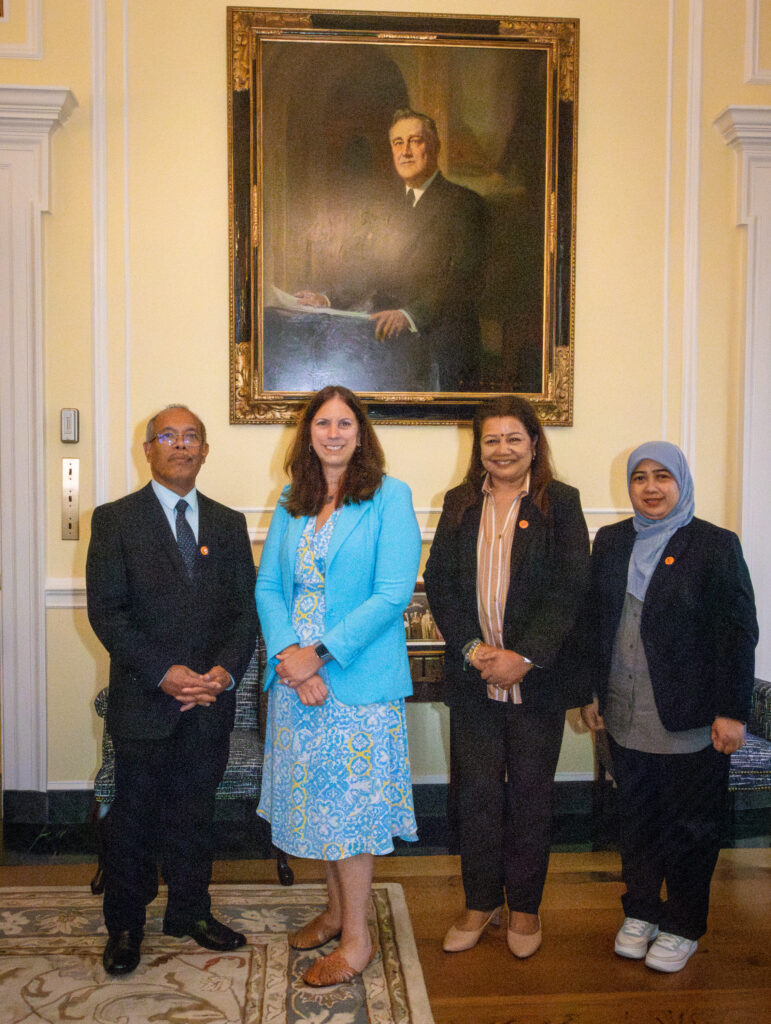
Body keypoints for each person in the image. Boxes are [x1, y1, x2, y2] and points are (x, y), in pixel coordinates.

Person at [256, 384, 421, 986]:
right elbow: (270, 590)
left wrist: (318, 657)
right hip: (295, 683)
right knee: (320, 810)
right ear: (308, 434)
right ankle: (333, 912)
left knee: (351, 816)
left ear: (361, 432)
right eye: (322, 423)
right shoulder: (290, 500)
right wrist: (288, 660)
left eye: (344, 423)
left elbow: (392, 593)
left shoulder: (388, 497)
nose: (332, 433)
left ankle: (358, 939)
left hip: (357, 683)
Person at [86, 404, 258, 976]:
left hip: (209, 702)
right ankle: (127, 926)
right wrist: (165, 673)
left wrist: (222, 675)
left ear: (205, 451)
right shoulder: (114, 520)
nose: (180, 446)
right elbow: (108, 615)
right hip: (145, 701)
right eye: (168, 436)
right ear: (149, 449)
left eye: (191, 438)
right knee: (134, 818)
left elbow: (244, 616)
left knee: (193, 814)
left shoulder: (230, 524)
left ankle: (190, 911)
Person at [581, 442, 758, 973]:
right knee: (635, 819)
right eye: (640, 478)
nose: (651, 488)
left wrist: (733, 711)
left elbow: (738, 634)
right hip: (624, 709)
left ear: (681, 482)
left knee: (691, 826)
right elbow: (596, 621)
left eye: (663, 477)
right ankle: (640, 911)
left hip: (692, 716)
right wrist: (591, 693)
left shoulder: (715, 544)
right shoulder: (611, 542)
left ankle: (682, 923)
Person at [424, 396, 590, 958]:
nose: (502, 450)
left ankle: (524, 908)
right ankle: (479, 902)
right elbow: (441, 583)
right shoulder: (458, 503)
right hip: (474, 680)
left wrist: (525, 655)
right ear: (480, 449)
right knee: (474, 796)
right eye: (491, 440)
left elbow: (571, 589)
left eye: (513, 438)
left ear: (534, 443)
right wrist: (473, 649)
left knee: (530, 796)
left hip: (535, 681)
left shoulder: (560, 503)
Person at [295, 109, 488, 391]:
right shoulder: (388, 208)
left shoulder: (465, 204)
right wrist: (327, 298)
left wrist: (409, 315)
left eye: (415, 141)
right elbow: (370, 269)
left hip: (442, 347)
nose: (405, 151)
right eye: (398, 143)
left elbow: (463, 278)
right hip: (392, 347)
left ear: (435, 146)